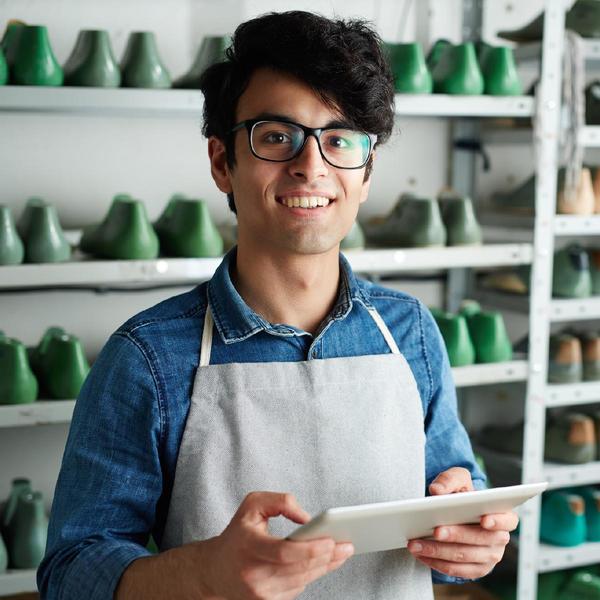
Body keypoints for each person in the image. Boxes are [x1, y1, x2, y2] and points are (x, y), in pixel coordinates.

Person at [38, 11, 518, 600]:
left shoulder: (410, 332)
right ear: (222, 162)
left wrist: (471, 540)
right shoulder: (148, 358)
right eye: (276, 136)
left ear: (366, 174)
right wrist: (202, 574)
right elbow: (70, 569)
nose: (311, 164)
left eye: (340, 139)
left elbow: (457, 508)